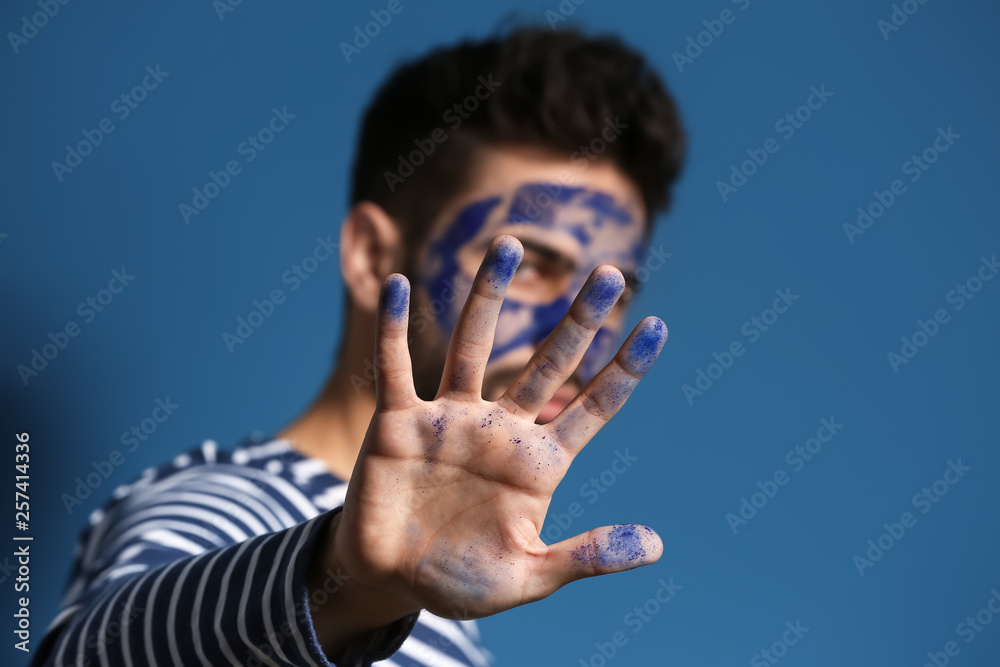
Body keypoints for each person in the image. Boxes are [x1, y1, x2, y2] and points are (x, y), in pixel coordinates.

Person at [33, 25, 685, 667]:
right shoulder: (231, 503)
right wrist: (345, 583)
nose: (581, 329)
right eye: (532, 264)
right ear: (374, 256)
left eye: (614, 294)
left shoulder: (446, 593)